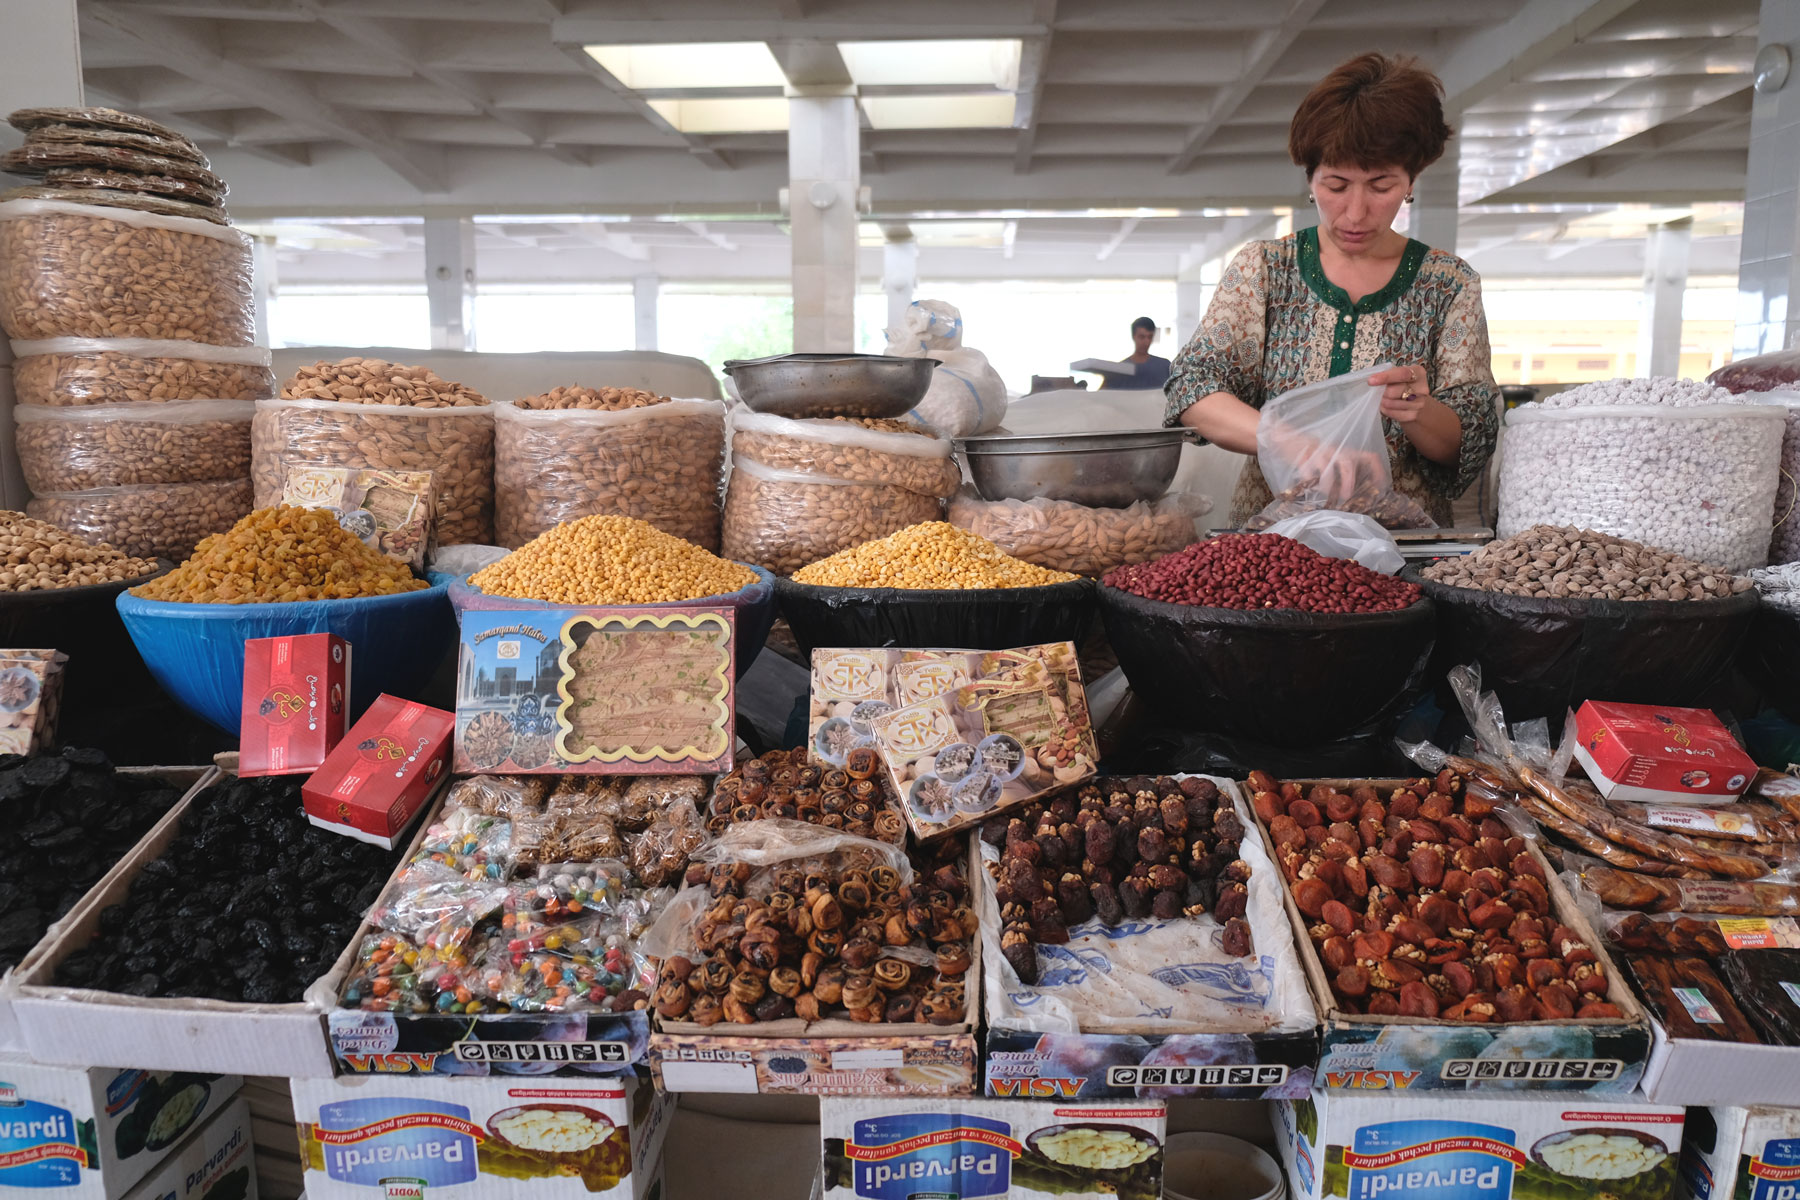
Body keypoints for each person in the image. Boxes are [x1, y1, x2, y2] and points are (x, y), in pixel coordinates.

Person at [1165, 52, 1498, 527]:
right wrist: (1286, 440)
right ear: (1310, 178)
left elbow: (1468, 442)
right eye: (1337, 185)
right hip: (1273, 541)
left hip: (1401, 543)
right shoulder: (1265, 270)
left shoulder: (1448, 284)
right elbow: (1194, 390)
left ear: (1411, 180)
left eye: (1381, 185)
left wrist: (1416, 410)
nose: (1356, 213)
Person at [1101, 317, 1172, 389]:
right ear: (1133, 336)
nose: (1146, 342)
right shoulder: (1119, 371)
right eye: (1142, 337)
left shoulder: (1165, 366)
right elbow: (1101, 396)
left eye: (1150, 337)